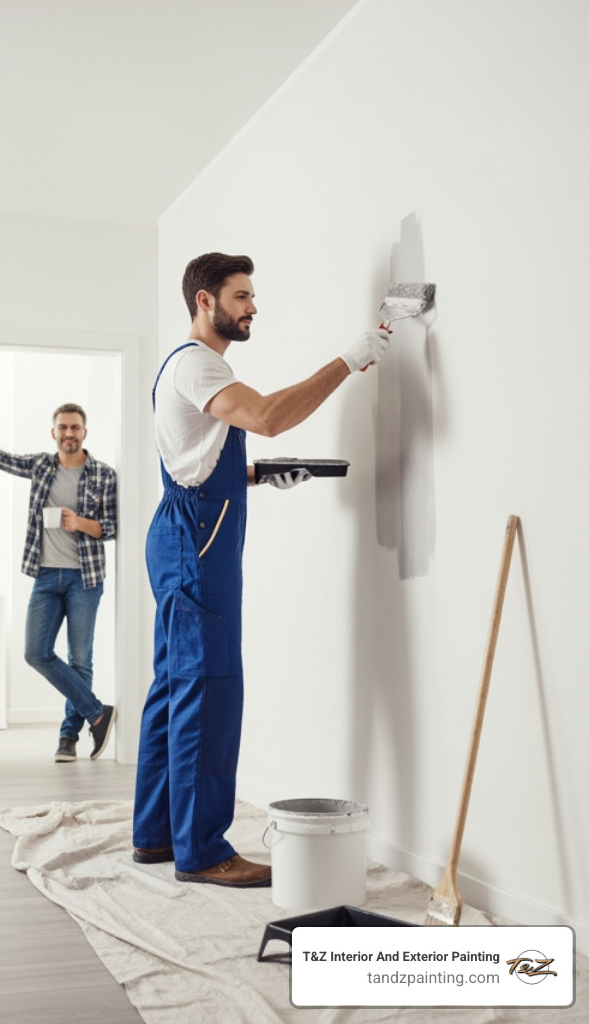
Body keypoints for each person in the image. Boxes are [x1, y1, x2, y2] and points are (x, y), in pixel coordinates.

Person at [133, 253, 390, 887]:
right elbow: (269, 417)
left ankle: (157, 836)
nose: (252, 307)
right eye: (241, 296)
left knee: (174, 687)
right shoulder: (199, 364)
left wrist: (257, 477)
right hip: (198, 542)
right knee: (208, 690)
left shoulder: (187, 368)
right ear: (204, 302)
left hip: (182, 531)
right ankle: (203, 852)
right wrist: (350, 359)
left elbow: (196, 456)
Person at [0, 392, 117, 762]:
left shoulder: (104, 474)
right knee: (36, 653)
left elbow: (112, 528)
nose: (69, 432)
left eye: (76, 427)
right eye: (63, 427)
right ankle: (98, 713)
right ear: (53, 431)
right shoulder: (40, 466)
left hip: (86, 577)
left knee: (80, 658)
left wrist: (79, 522)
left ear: (85, 432)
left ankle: (68, 737)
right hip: (46, 576)